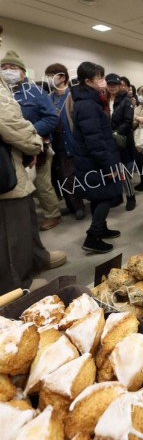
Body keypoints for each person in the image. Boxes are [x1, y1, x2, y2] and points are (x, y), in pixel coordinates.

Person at [0, 73, 66, 293]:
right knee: (11, 228)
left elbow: (48, 118)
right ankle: (15, 285)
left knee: (26, 216)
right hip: (6, 165)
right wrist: (34, 143)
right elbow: (9, 121)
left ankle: (37, 258)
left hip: (16, 157)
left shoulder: (31, 91)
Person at [1, 50, 62, 231]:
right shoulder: (4, 94)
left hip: (38, 145)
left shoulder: (34, 91)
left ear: (22, 72)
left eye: (12, 67)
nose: (7, 70)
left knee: (42, 184)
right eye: (3, 67)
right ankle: (26, 219)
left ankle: (53, 214)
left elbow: (52, 117)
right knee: (18, 184)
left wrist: (29, 132)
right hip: (11, 150)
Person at [72, 62, 122, 253]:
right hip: (96, 161)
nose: (103, 81)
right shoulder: (87, 105)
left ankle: (102, 228)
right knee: (106, 197)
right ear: (87, 81)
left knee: (98, 195)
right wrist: (109, 165)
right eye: (99, 78)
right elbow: (95, 141)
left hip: (94, 159)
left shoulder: (90, 100)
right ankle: (92, 236)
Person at [45, 63, 85, 220]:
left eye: (51, 76)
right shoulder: (49, 97)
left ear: (62, 77)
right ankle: (70, 205)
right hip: (55, 143)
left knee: (71, 177)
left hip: (69, 141)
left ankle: (79, 205)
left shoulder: (71, 95)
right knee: (60, 176)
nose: (49, 79)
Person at [106, 73, 136, 211]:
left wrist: (116, 133)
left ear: (120, 86)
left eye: (115, 85)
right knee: (112, 171)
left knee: (123, 170)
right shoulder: (104, 100)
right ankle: (117, 196)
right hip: (108, 140)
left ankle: (130, 197)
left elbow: (128, 121)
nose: (112, 87)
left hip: (121, 140)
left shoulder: (126, 100)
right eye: (109, 84)